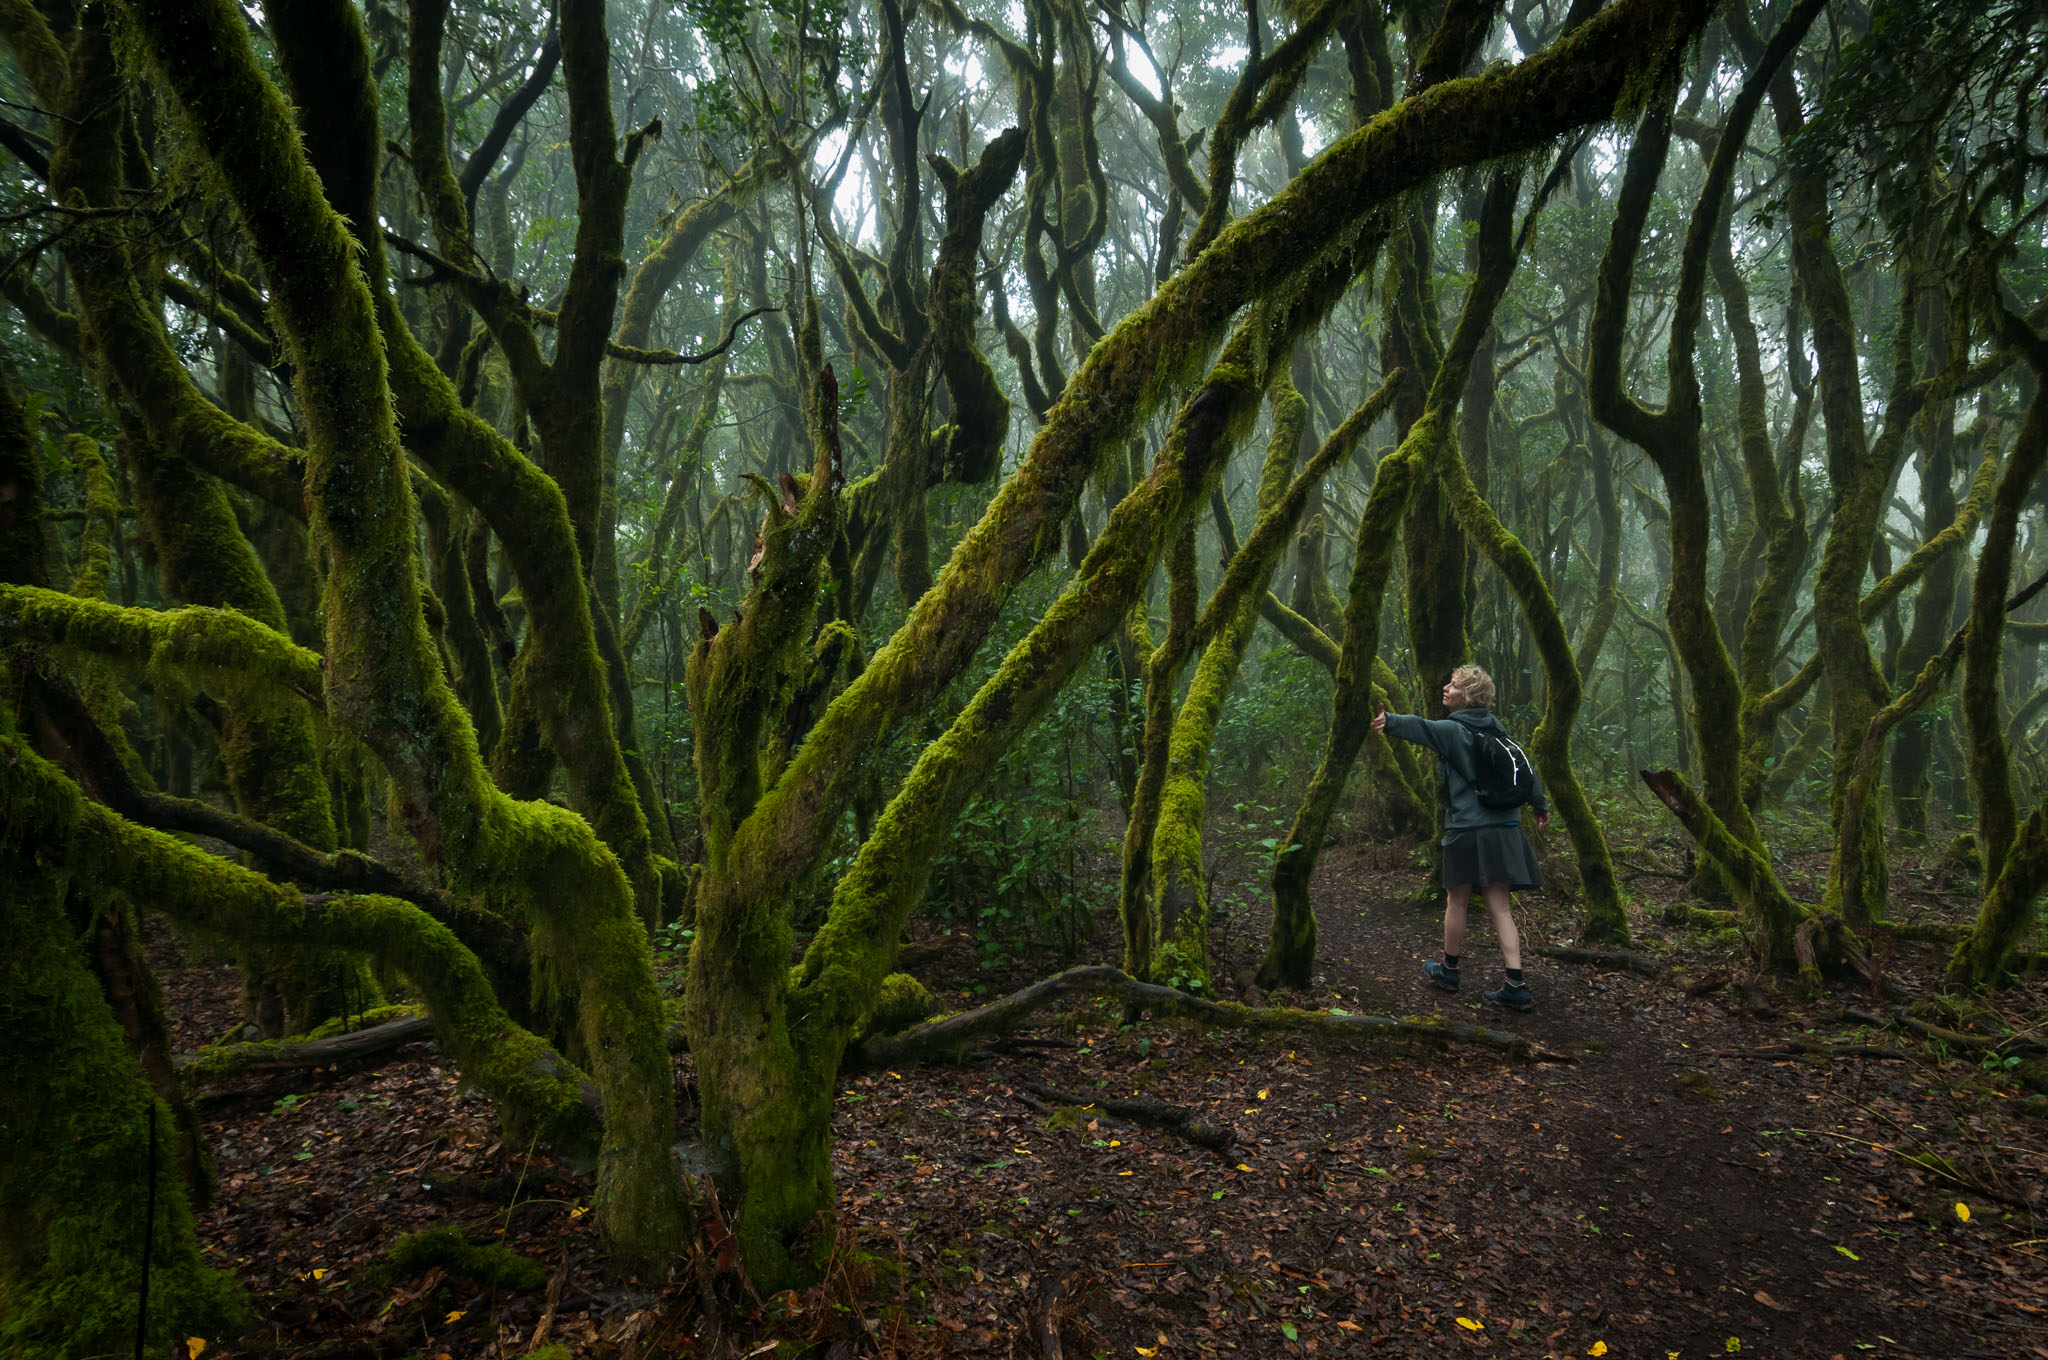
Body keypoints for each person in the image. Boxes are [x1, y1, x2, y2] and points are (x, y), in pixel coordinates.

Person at [1370, 664, 1549, 1012]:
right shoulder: (1500, 732)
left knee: (1458, 900)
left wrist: (1388, 721)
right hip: (1507, 826)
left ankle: (1449, 970)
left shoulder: (1454, 730)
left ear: (1467, 696)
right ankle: (1516, 983)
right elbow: (1527, 771)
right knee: (1500, 906)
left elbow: (1422, 728)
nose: (1445, 688)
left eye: (1453, 685)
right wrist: (1540, 806)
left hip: (1468, 828)